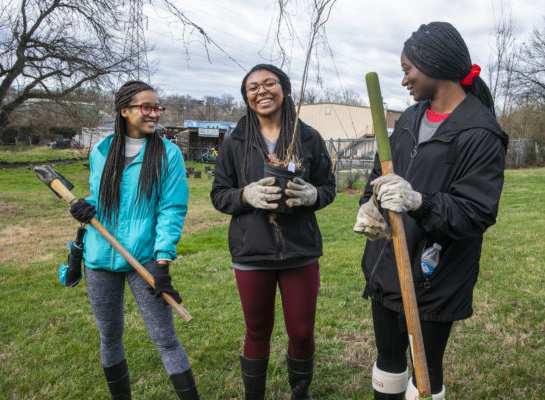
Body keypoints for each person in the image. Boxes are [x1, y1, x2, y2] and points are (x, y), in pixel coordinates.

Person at [353, 22, 509, 400]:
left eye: (408, 69)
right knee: (387, 360)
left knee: (426, 371)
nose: (404, 79)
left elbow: (475, 213)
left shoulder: (480, 132)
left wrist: (418, 201)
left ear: (434, 64)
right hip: (388, 263)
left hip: (435, 274)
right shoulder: (409, 118)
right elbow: (380, 174)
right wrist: (371, 205)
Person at [210, 64, 335, 399]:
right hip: (252, 250)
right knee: (257, 329)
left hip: (300, 250)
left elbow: (328, 187)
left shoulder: (307, 137)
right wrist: (244, 195)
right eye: (252, 87)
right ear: (245, 96)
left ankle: (300, 392)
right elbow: (219, 194)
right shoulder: (235, 140)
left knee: (302, 330)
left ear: (285, 89)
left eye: (268, 84)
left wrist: (313, 196)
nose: (260, 91)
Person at [69, 80, 198, 399]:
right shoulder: (102, 150)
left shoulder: (168, 154)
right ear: (124, 111)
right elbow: (105, 198)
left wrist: (163, 262)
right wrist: (88, 206)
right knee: (109, 337)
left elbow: (172, 209)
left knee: (165, 339)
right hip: (100, 257)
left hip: (145, 258)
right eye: (146, 107)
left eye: (158, 107)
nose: (154, 113)